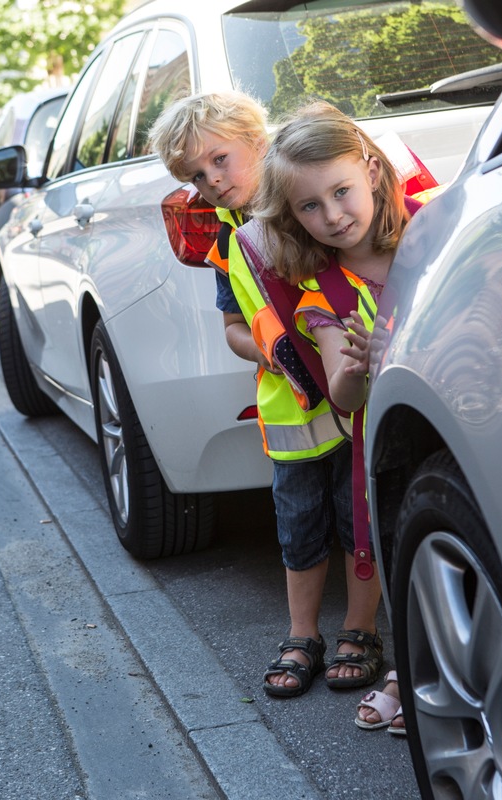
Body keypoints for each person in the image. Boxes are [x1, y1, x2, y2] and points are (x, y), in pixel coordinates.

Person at [148, 91, 386, 699]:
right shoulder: (233, 244)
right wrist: (271, 350)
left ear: (261, 140)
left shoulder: (315, 207)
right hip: (295, 411)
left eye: (219, 159)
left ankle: (359, 628)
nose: (212, 181)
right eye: (197, 176)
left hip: (355, 393)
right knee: (299, 522)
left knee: (361, 514)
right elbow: (232, 326)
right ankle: (302, 633)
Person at [250, 101, 418, 730]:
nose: (332, 216)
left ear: (371, 170)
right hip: (391, 451)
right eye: (309, 207)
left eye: (341, 191)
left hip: (470, 430)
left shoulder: (429, 238)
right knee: (406, 553)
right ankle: (415, 670)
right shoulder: (321, 292)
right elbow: (343, 400)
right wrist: (355, 368)